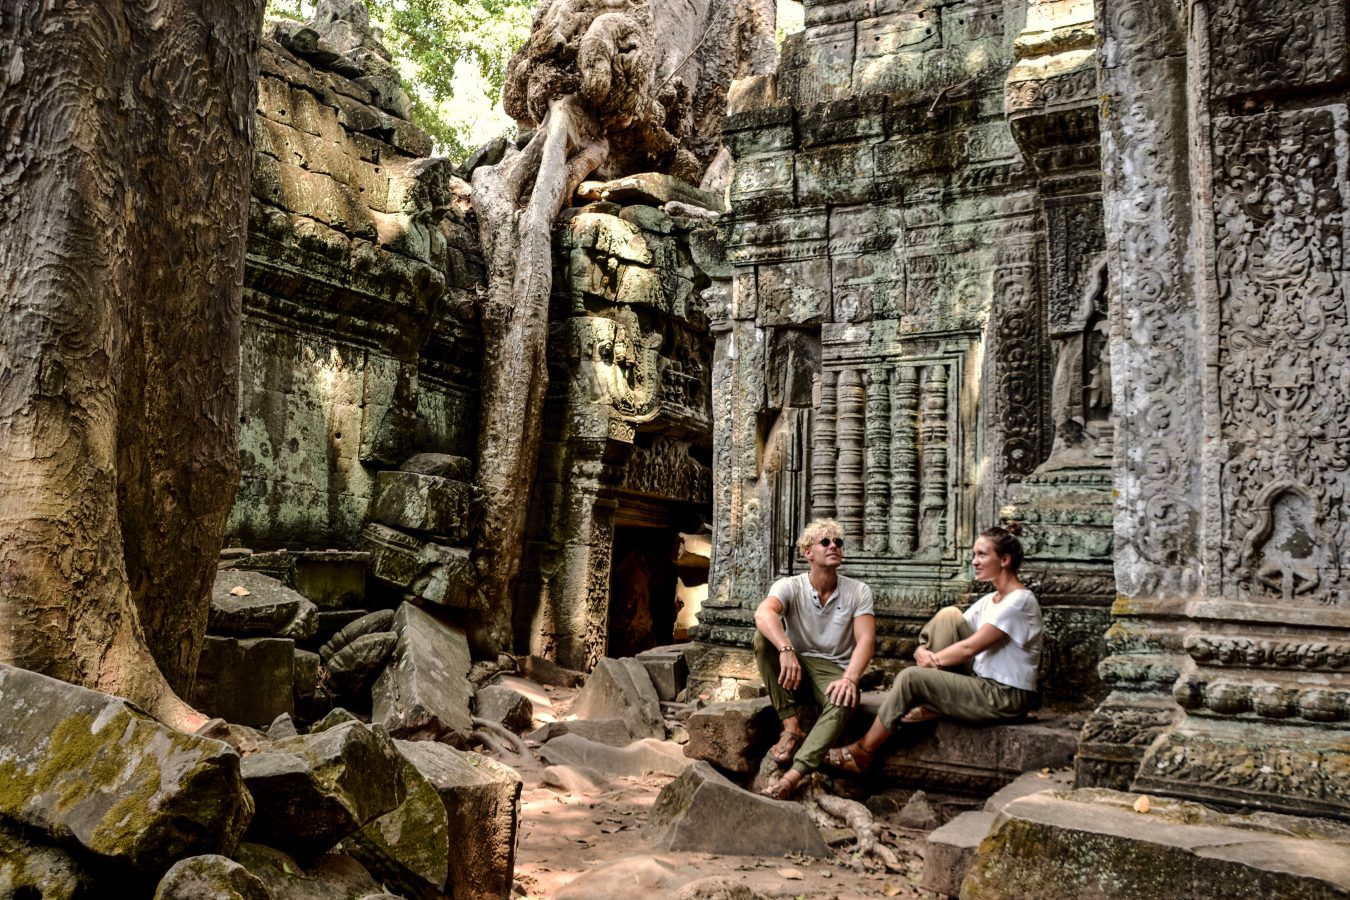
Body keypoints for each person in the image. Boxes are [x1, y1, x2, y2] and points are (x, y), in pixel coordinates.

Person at [826, 524, 1041, 773]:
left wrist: (933, 662)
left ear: (1004, 559)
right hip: (983, 684)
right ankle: (931, 701)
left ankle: (864, 751)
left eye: (982, 555)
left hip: (1005, 696)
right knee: (948, 615)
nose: (974, 562)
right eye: (974, 555)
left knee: (911, 678)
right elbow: (954, 633)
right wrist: (922, 649)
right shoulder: (990, 600)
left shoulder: (1020, 601)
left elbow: (970, 647)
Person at [753, 518, 876, 799]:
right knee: (761, 638)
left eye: (838, 542)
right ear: (808, 552)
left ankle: (794, 775)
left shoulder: (858, 591)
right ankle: (791, 727)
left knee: (844, 698)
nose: (833, 546)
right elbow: (763, 614)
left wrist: (850, 679)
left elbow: (867, 640)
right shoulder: (790, 586)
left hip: (832, 668)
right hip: (796, 663)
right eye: (825, 542)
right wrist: (786, 650)